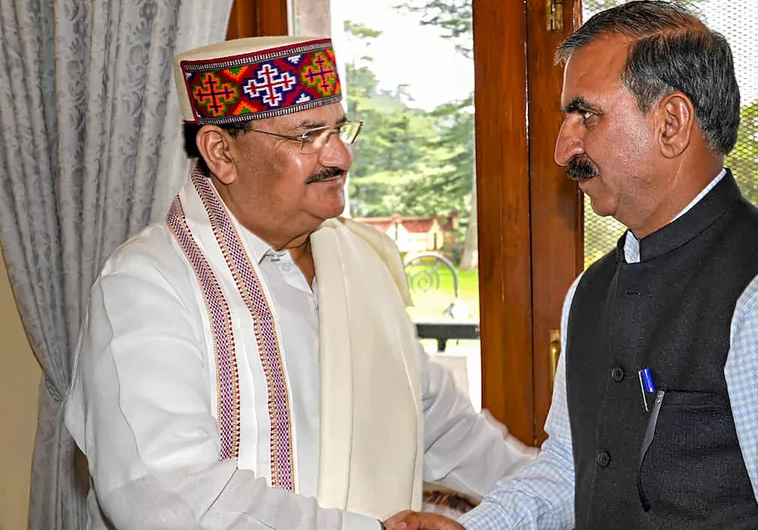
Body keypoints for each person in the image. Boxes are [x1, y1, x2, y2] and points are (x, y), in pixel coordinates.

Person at [389, 0, 758, 530]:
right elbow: (570, 474)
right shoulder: (590, 290)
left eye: (587, 115)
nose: (563, 149)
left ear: (671, 123)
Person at [64, 36, 534, 530]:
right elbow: (165, 496)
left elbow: (441, 428)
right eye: (308, 135)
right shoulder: (147, 284)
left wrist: (566, 492)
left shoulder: (362, 265)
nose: (340, 157)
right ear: (221, 151)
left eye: (339, 130)